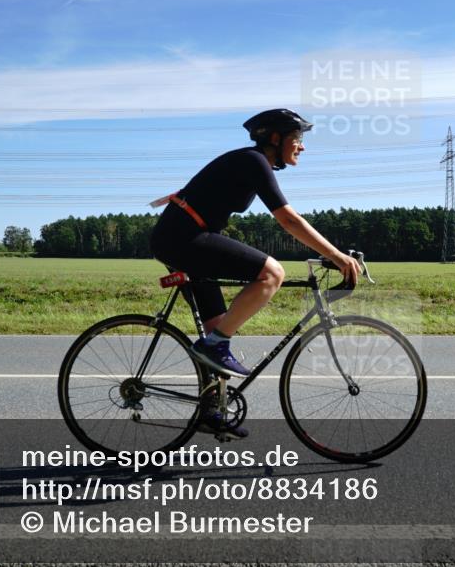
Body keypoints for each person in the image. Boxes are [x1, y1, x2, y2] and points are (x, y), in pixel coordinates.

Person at [149, 109, 361, 438]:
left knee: (218, 327)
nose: (302, 146)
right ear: (274, 139)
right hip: (183, 240)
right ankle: (214, 347)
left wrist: (182, 195)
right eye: (297, 138)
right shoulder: (254, 161)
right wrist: (335, 255)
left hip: (180, 238)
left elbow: (208, 184)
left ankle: (210, 411)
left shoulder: (248, 163)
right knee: (272, 274)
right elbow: (289, 220)